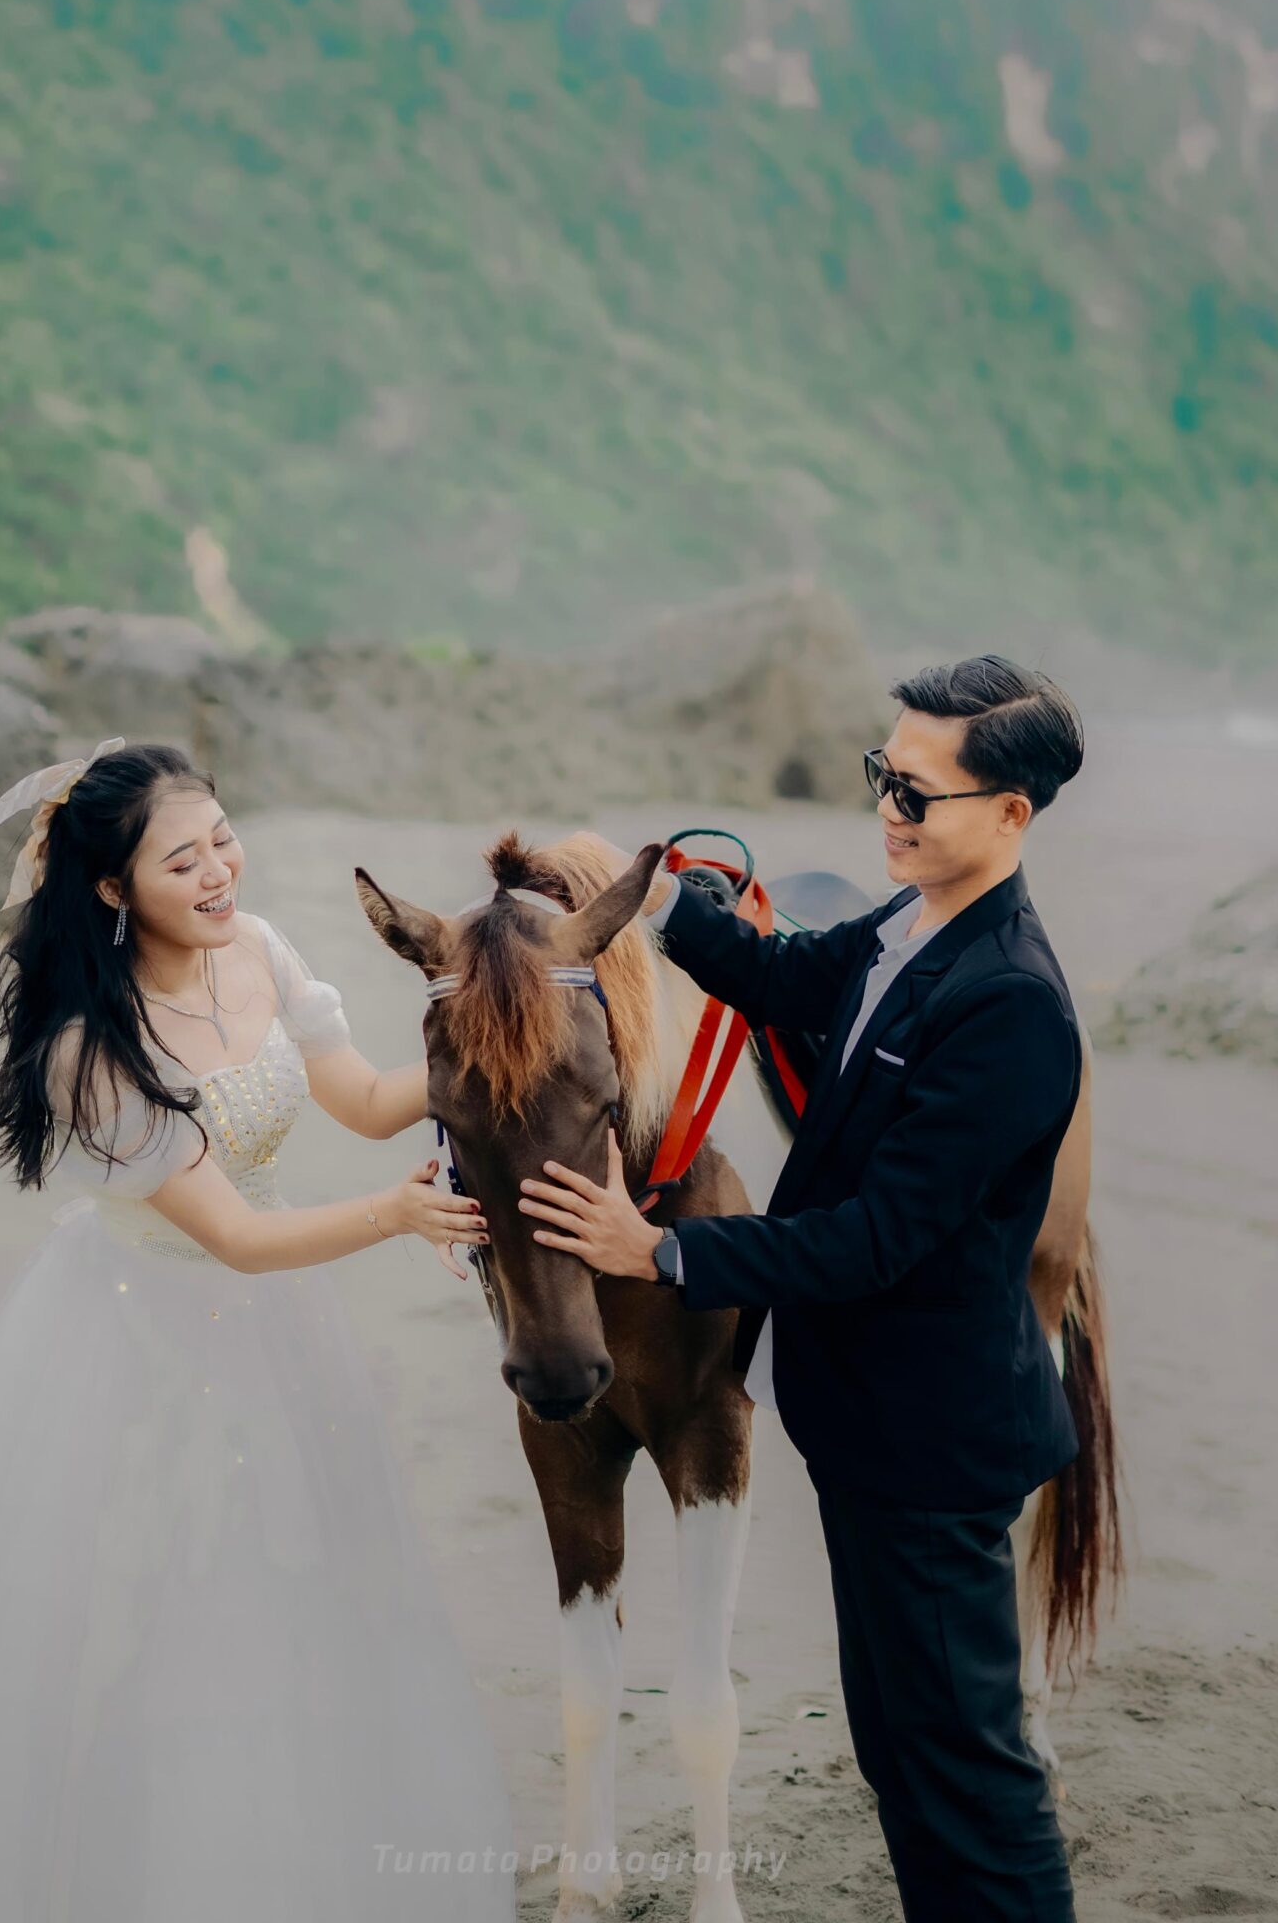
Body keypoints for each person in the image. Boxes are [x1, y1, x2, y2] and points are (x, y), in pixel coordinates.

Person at [0, 738, 514, 1923]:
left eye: (223, 841)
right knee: (147, 1614)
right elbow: (236, 1238)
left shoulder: (257, 948)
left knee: (298, 1595)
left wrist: (487, 1036)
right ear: (113, 887)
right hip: (141, 1341)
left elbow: (363, 1100)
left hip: (278, 1330)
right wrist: (397, 1215)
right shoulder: (88, 1049)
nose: (219, 873)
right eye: (181, 861)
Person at [519, 655, 1087, 1923]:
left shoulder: (1010, 1004)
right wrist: (659, 897)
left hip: (935, 1451)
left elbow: (877, 1239)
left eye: (920, 793)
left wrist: (663, 1253)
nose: (889, 808)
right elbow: (784, 975)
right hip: (870, 1431)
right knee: (900, 1753)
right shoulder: (912, 922)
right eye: (884, 774)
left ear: (1011, 813)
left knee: (969, 1776)